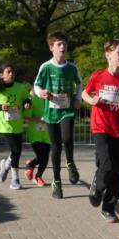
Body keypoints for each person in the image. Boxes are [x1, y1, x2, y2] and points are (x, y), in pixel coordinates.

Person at [82, 39, 119, 222]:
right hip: (101, 127)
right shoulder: (98, 76)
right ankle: (97, 186)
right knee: (107, 165)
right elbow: (84, 93)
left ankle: (108, 207)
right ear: (108, 55)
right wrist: (92, 101)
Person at [33, 32, 82, 199]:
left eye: (64, 44)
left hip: (67, 109)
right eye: (59, 44)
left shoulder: (72, 68)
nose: (63, 47)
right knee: (55, 146)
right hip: (51, 111)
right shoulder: (46, 67)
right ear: (51, 47)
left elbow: (79, 83)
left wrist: (77, 97)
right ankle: (57, 181)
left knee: (67, 138)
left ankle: (70, 163)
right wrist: (42, 93)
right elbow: (37, 85)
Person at [0, 62, 30, 190]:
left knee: (17, 151)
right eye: (8, 72)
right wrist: (0, 107)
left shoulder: (20, 87)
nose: (11, 74)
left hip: (17, 122)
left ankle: (6, 165)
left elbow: (26, 98)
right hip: (5, 124)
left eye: (13, 72)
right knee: (16, 150)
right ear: (2, 75)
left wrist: (27, 103)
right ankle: (15, 179)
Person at [22, 84, 51, 187]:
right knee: (41, 156)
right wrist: (38, 119)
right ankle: (32, 167)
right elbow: (25, 118)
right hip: (35, 132)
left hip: (47, 132)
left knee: (46, 157)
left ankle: (36, 174)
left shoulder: (51, 99)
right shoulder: (32, 99)